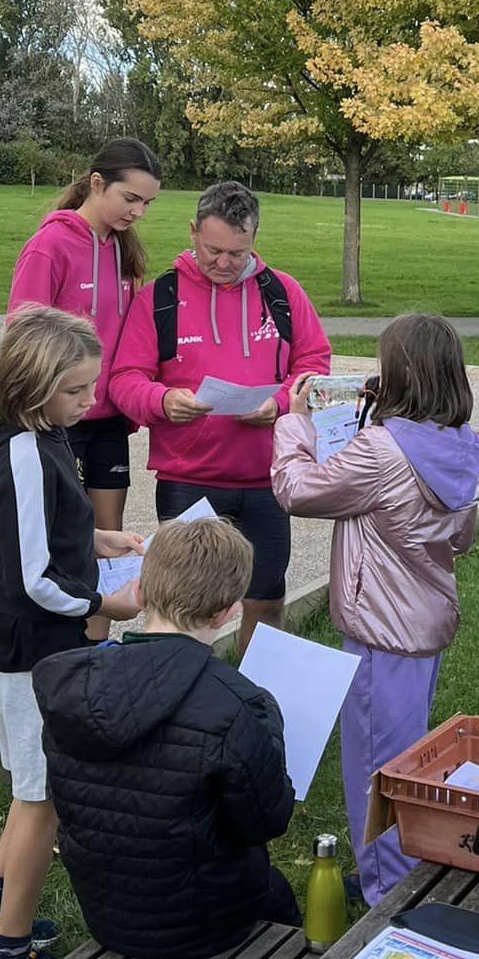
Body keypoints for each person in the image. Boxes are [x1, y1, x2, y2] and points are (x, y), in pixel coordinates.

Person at [0, 308, 144, 959]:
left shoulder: (47, 433)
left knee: (34, 786)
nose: (88, 404)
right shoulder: (23, 452)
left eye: (91, 389)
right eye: (75, 391)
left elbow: (53, 534)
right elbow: (32, 577)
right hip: (34, 647)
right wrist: (103, 605)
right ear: (31, 387)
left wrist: (97, 541)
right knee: (43, 798)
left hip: (41, 640)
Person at [271, 314, 479, 906]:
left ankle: (384, 894)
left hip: (378, 626)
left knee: (376, 769)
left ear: (403, 373)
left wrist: (295, 423)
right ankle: (401, 865)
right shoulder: (466, 446)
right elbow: (461, 538)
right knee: (409, 756)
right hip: (425, 617)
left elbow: (298, 490)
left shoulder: (382, 451)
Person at [34, 517, 298, 957]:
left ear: (138, 591)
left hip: (107, 914)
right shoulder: (237, 704)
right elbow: (267, 821)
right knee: (281, 899)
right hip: (206, 925)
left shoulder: (71, 686)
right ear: (228, 611)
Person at [110, 180, 330, 655]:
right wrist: (163, 401)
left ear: (254, 239)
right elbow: (125, 377)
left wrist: (277, 403)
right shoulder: (160, 296)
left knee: (267, 602)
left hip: (266, 478)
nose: (225, 263)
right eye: (213, 250)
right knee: (180, 607)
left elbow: (314, 364)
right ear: (193, 232)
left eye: (238, 252)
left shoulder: (282, 292)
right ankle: (183, 704)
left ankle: (253, 704)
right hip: (190, 478)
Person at [6, 139, 162, 531]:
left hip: (110, 418)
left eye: (147, 203)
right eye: (130, 198)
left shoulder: (123, 251)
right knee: (65, 533)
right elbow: (22, 337)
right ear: (97, 183)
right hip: (59, 418)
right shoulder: (49, 246)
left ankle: (109, 597)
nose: (138, 211)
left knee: (109, 534)